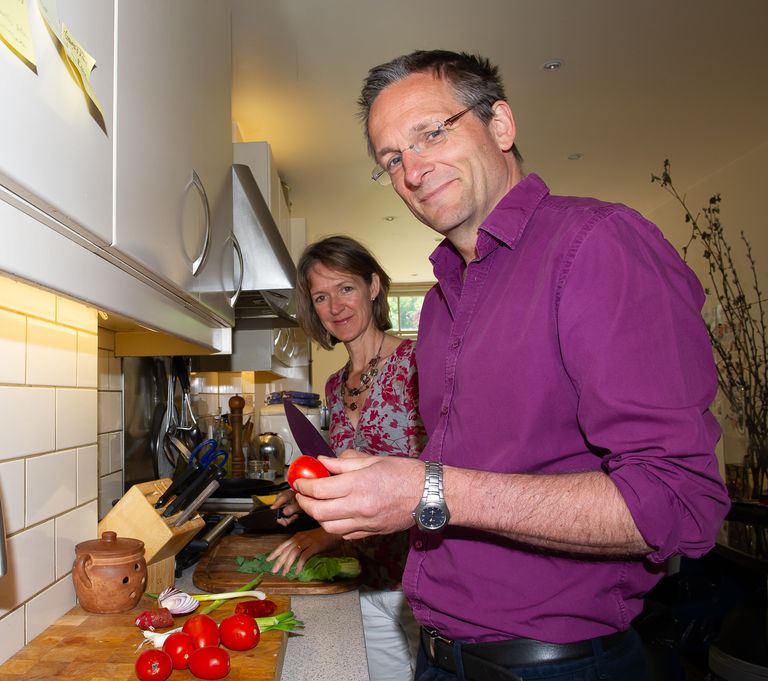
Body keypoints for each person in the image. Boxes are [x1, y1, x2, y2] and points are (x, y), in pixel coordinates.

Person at [291, 50, 731, 681]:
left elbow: (677, 500)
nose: (412, 170)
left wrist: (424, 490)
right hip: (439, 653)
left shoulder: (595, 245)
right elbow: (470, 471)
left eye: (431, 133)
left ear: (500, 125)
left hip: (555, 667)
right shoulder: (443, 303)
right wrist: (387, 482)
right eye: (392, 158)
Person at [266, 235, 427, 681]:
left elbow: (440, 474)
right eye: (321, 296)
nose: (335, 306)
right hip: (364, 574)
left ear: (373, 286)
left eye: (345, 288)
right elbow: (352, 468)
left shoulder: (418, 364)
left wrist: (328, 536)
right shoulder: (335, 387)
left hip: (419, 574)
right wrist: (307, 495)